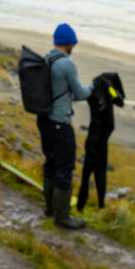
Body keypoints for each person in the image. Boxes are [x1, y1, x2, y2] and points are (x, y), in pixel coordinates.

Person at [37, 22, 94, 229]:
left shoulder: (47, 59)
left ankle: (49, 208)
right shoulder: (67, 64)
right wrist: (95, 85)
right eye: (73, 44)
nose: (74, 47)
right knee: (65, 167)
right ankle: (62, 218)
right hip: (60, 123)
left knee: (50, 163)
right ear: (69, 43)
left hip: (44, 121)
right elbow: (79, 93)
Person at [77, 72, 125, 211]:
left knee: (86, 173)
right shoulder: (109, 89)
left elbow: (81, 94)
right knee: (100, 172)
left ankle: (81, 204)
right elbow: (120, 101)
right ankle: (101, 205)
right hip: (102, 140)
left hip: (93, 137)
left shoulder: (94, 89)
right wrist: (113, 91)